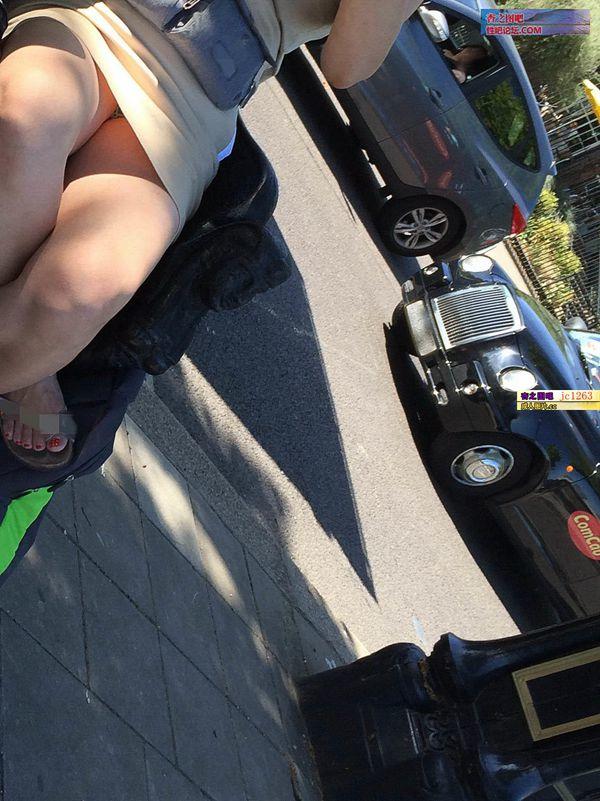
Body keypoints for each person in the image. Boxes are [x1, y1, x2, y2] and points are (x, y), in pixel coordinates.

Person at [0, 0, 422, 469]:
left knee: (79, 293)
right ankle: (31, 365)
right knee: (22, 135)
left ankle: (29, 359)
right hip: (98, 17)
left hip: (193, 107)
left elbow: (346, 66)